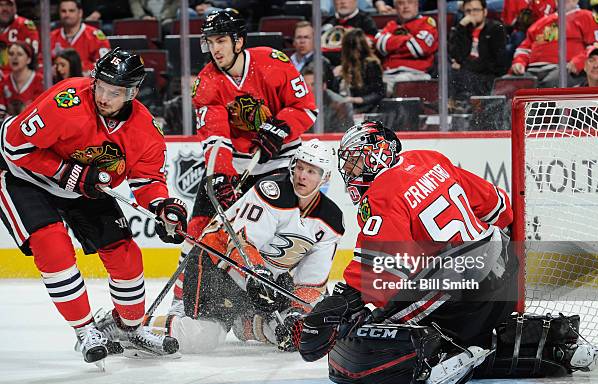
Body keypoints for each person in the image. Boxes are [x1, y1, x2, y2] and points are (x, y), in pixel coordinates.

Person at [292, 121, 598, 384]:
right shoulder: (431, 159)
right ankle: (554, 342)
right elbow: (501, 207)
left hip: (462, 291)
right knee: (440, 309)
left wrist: (342, 305)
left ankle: (441, 356)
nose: (352, 172)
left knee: (375, 327)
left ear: (377, 155)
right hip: (505, 274)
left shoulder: (381, 193)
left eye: (356, 163)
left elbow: (381, 277)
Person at [0, 48, 187, 365]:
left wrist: (162, 207)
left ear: (132, 92)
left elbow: (146, 180)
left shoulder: (145, 130)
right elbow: (13, 145)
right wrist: (65, 171)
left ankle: (127, 328)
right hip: (24, 176)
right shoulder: (68, 100)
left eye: (114, 92)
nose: (103, 96)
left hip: (82, 187)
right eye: (100, 86)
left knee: (126, 255)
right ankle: (86, 331)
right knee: (53, 246)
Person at [99, 140, 344, 354]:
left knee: (291, 331)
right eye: (300, 167)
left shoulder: (332, 221)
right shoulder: (273, 192)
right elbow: (239, 244)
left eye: (312, 171)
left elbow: (311, 283)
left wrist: (294, 312)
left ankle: (245, 323)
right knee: (203, 338)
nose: (302, 176)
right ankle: (123, 324)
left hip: (264, 283)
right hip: (216, 265)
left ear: (325, 177)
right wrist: (257, 275)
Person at [170, 9, 318, 306]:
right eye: (210, 42)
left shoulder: (273, 63)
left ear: (239, 41)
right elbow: (215, 138)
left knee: (264, 233)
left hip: (279, 164)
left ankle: (291, 299)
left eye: (221, 40)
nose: (215, 48)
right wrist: (222, 175)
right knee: (199, 228)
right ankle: (181, 301)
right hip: (236, 165)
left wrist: (281, 127)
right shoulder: (206, 81)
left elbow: (306, 108)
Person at [510, 0, 598, 88]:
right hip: (532, 70)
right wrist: (519, 62)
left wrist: (579, 62)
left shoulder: (588, 16)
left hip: (565, 69)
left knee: (547, 86)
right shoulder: (541, 22)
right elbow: (524, 49)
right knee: (507, 85)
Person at [449, 0, 507, 107]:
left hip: (487, 77)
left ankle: (459, 106)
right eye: (468, 11)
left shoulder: (496, 29)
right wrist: (461, 27)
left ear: (484, 12)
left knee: (460, 77)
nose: (472, 13)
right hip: (465, 75)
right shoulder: (464, 30)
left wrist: (463, 65)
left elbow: (493, 62)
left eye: (476, 9)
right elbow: (455, 54)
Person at [375, 0, 439, 86]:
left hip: (417, 74)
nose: (406, 6)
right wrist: (408, 40)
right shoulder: (391, 25)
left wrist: (392, 47)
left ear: (417, 4)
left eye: (410, 2)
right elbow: (380, 45)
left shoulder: (426, 23)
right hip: (388, 73)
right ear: (396, 7)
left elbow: (419, 48)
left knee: (397, 83)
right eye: (401, 3)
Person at [50, 0, 111, 75]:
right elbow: (41, 63)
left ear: (80, 13)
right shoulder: (51, 37)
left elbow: (105, 64)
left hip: (87, 82)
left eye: (71, 11)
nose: (67, 14)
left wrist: (81, 69)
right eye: (63, 11)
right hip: (58, 83)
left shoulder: (95, 36)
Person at [339, 28, 385, 114]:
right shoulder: (343, 67)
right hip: (346, 109)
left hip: (367, 109)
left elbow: (379, 93)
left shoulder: (371, 65)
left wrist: (358, 100)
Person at [302, 64, 354, 133]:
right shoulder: (297, 103)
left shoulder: (340, 105)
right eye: (305, 85)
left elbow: (344, 134)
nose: (309, 89)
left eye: (313, 84)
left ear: (324, 86)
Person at [290, 21, 337, 92]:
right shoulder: (286, 62)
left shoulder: (322, 63)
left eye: (306, 37)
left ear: (315, 41)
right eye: (299, 37)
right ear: (293, 41)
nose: (302, 41)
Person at [0, 42, 43, 116]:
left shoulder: (40, 81)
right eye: (11, 54)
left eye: (19, 54)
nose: (15, 57)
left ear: (28, 59)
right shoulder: (3, 81)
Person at [0, 0, 39, 77]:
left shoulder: (25, 26)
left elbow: (33, 58)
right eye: (0, 5)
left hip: (18, 77)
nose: (4, 9)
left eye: (8, 4)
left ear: (15, 7)